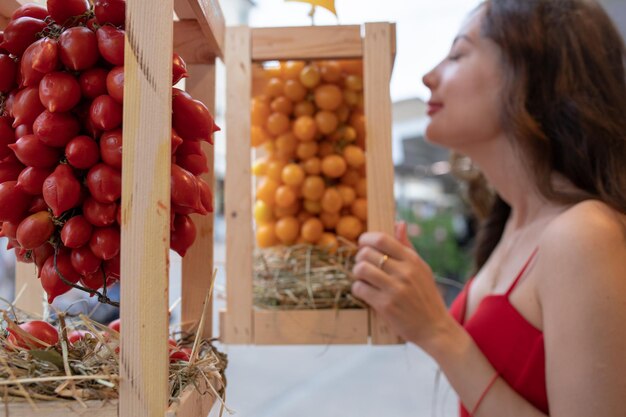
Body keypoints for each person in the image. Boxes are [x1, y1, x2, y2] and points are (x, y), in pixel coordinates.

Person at [351, 0, 626, 416]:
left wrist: (438, 331)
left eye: (459, 53)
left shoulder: (584, 233)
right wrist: (408, 309)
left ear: (532, 73)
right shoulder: (513, 222)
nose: (428, 77)